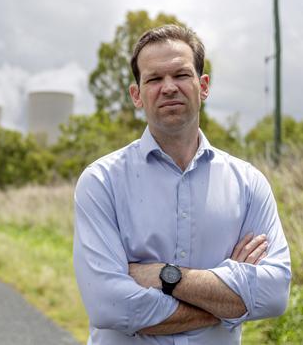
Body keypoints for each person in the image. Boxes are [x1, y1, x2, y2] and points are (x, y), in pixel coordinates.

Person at [73, 24, 291, 344]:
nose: (169, 87)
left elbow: (274, 294)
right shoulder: (101, 182)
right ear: (137, 95)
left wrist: (165, 276)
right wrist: (228, 303)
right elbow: (110, 307)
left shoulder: (248, 183)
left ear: (203, 86)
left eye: (181, 75)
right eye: (154, 79)